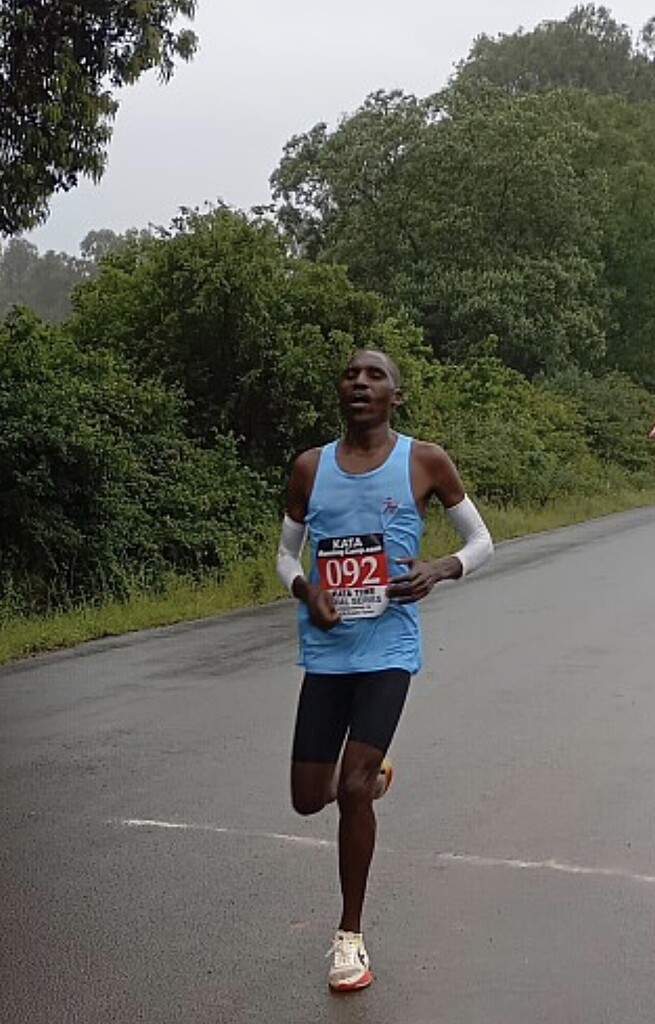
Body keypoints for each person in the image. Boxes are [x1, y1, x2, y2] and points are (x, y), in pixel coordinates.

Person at [276, 348, 493, 992]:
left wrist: (440, 568)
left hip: (389, 649)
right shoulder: (309, 467)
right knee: (307, 798)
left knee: (350, 790)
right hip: (327, 651)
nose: (361, 382)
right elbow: (285, 557)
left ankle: (349, 939)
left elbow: (482, 541)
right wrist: (305, 591)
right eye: (351, 374)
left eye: (376, 376)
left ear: (396, 396)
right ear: (339, 391)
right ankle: (372, 773)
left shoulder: (424, 460)